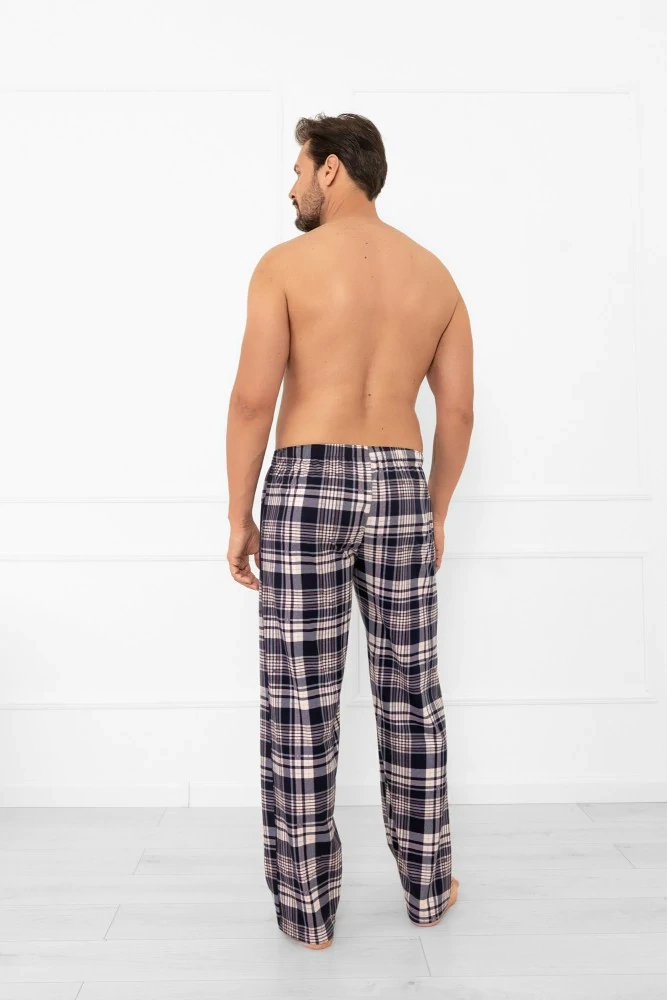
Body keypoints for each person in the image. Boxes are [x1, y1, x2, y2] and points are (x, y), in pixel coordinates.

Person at [225, 112, 474, 949]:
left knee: (301, 701)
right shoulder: (434, 275)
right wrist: (434, 510)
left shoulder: (285, 266)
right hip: (400, 480)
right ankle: (428, 890)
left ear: (332, 169)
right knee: (410, 695)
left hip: (305, 481)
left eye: (298, 170)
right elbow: (457, 413)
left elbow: (253, 401)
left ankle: (308, 916)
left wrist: (239, 512)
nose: (291, 186)